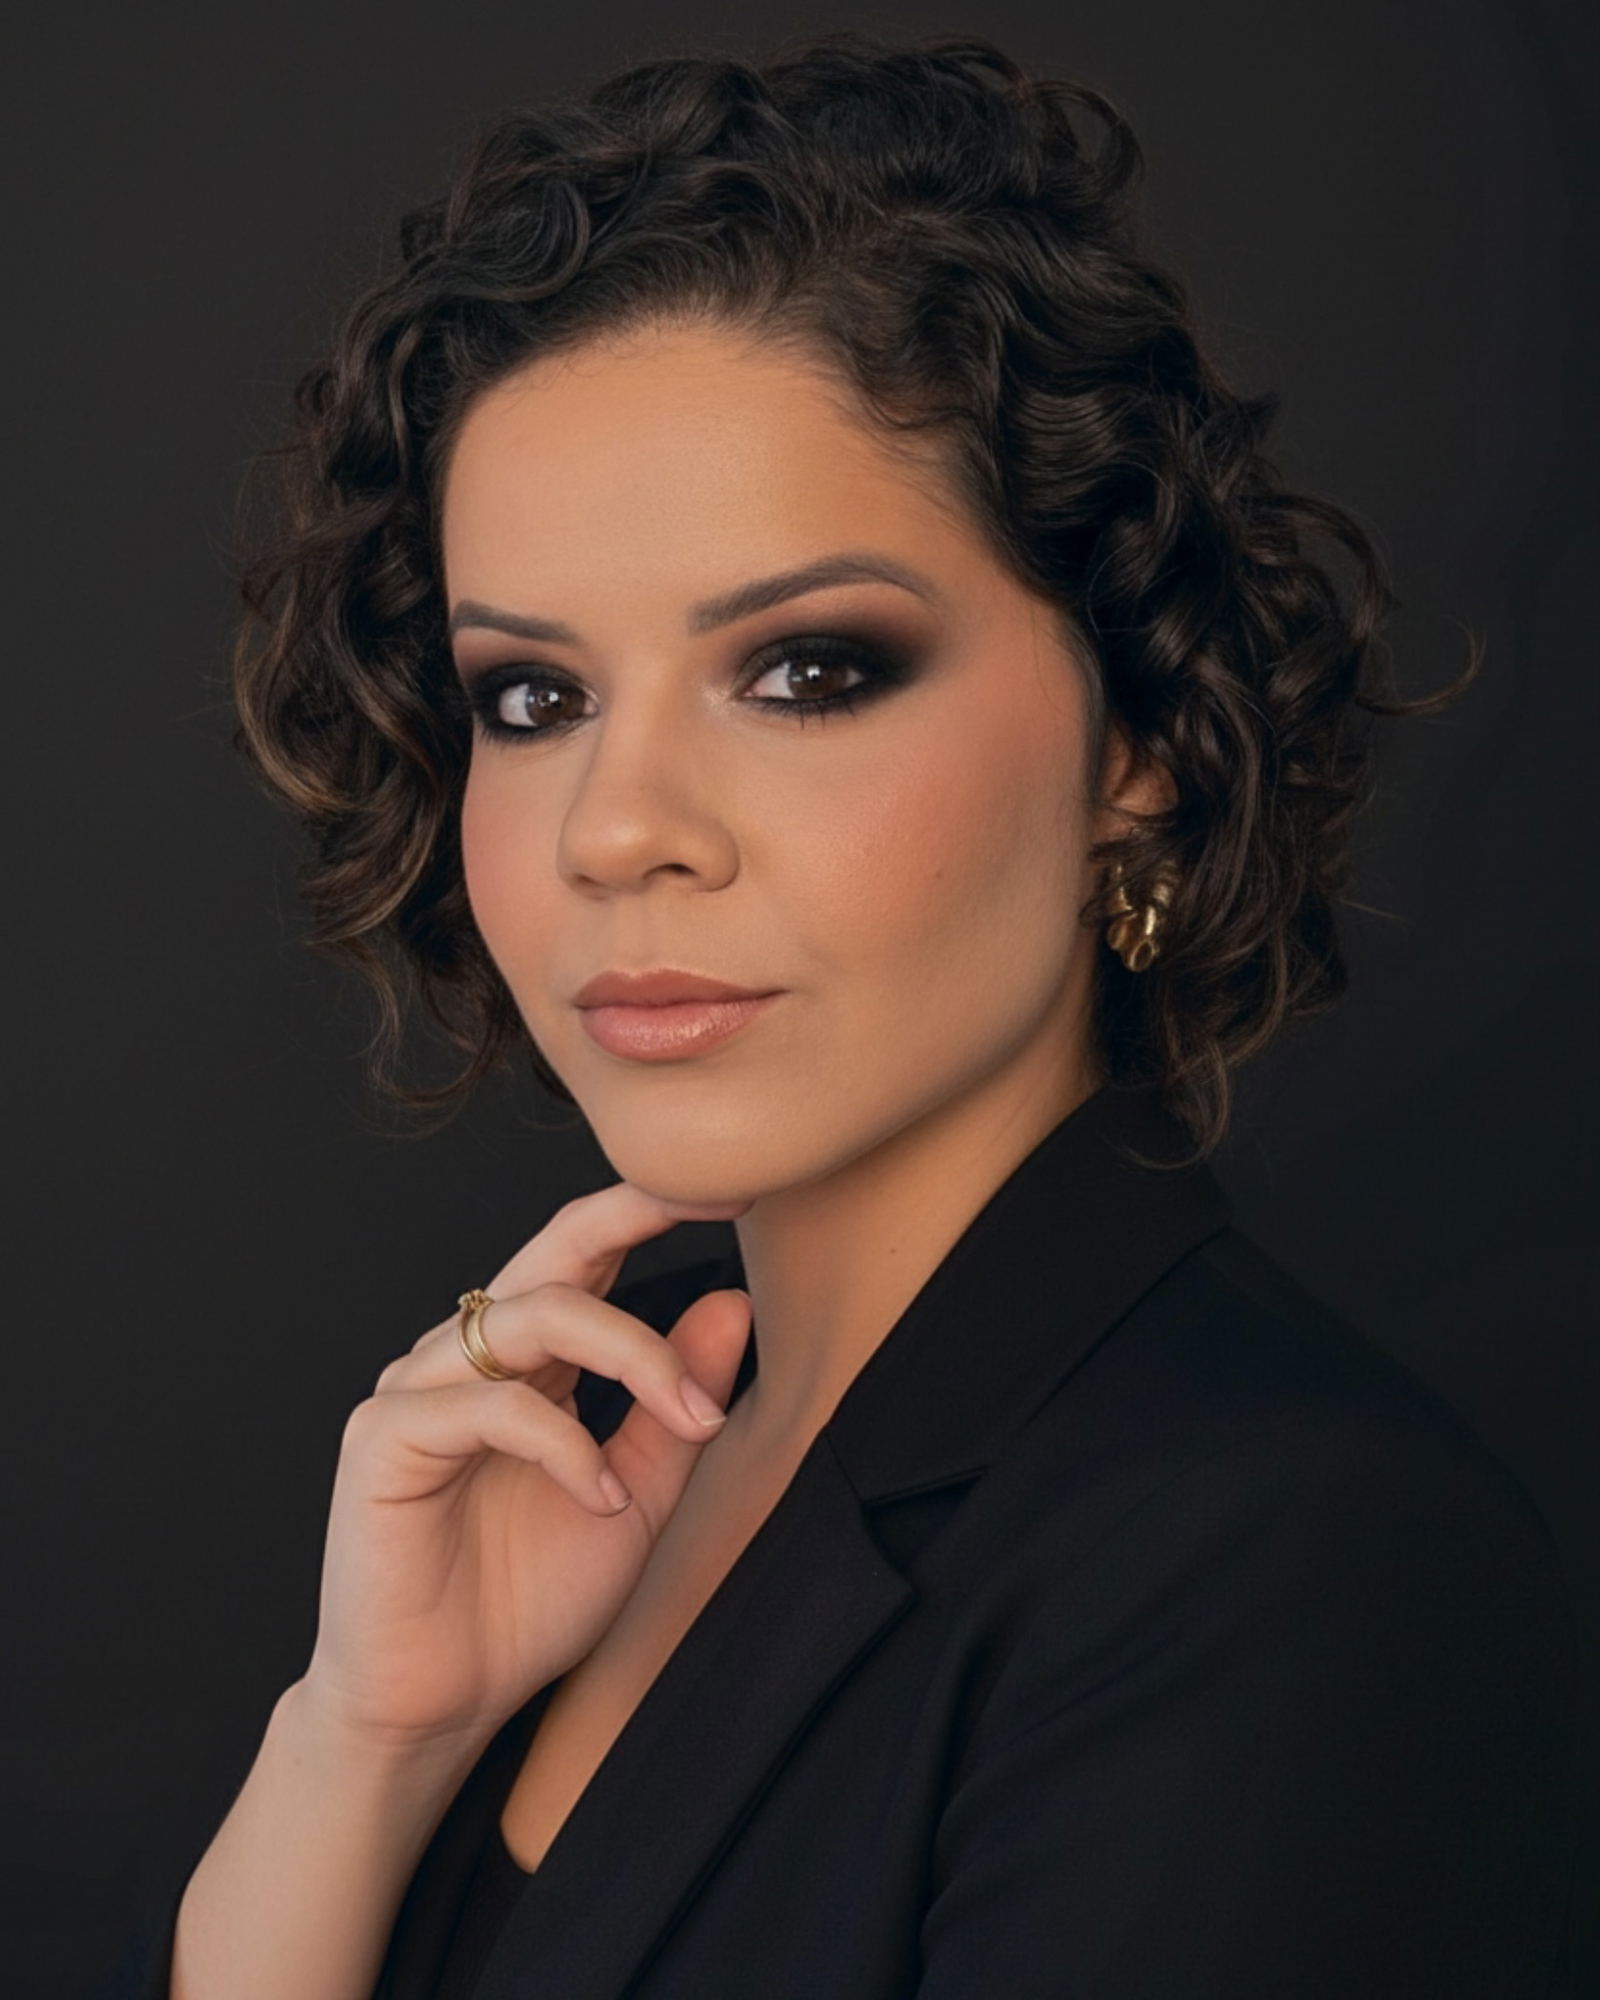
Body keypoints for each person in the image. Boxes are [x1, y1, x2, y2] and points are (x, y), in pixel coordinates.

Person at [101, 26, 1577, 2000]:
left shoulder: (1290, 1564)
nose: (616, 827)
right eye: (532, 696)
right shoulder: (582, 1431)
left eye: (804, 671)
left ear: (1134, 739)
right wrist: (364, 1745)